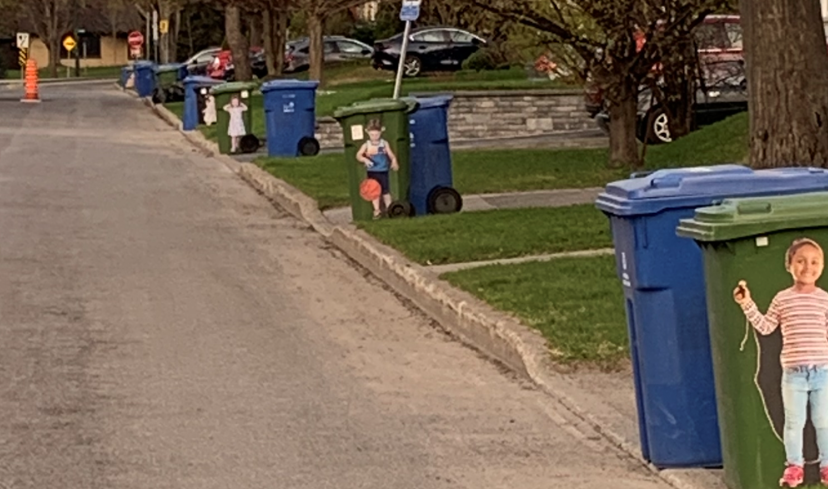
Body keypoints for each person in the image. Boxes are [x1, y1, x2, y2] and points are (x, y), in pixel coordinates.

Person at [733, 237, 828, 488]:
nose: (808, 267)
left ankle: (826, 466)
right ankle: (794, 467)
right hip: (793, 374)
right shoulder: (782, 299)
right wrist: (746, 303)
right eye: (801, 261)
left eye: (815, 262)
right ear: (789, 265)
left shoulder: (824, 299)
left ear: (822, 266)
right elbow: (766, 327)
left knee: (824, 422)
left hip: (822, 372)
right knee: (794, 423)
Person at [355, 119, 399, 219]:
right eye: (372, 135)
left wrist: (394, 161)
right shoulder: (366, 145)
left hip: (383, 171)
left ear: (381, 132)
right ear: (367, 133)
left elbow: (390, 154)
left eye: (376, 134)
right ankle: (377, 210)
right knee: (374, 191)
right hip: (372, 172)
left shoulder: (384, 143)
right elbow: (358, 155)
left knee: (385, 191)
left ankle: (389, 209)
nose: (374, 137)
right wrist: (365, 160)